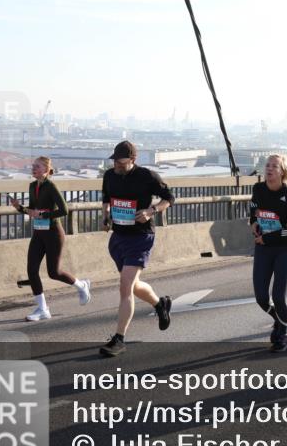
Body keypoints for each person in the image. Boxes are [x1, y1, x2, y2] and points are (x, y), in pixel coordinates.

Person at [99, 141, 175, 357]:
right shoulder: (109, 175)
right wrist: (105, 217)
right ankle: (160, 304)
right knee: (132, 285)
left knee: (125, 287)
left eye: (121, 161)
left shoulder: (147, 176)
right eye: (114, 160)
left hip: (141, 237)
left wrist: (151, 211)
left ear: (132, 160)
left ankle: (119, 339)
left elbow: (169, 198)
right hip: (119, 237)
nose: (116, 165)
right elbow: (106, 199)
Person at [9, 156, 90, 321]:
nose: (34, 169)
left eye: (37, 167)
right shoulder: (32, 186)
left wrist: (44, 214)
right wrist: (20, 208)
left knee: (54, 272)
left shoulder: (51, 186)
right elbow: (33, 210)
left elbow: (64, 210)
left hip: (53, 233)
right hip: (39, 232)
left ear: (46, 170)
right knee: (32, 270)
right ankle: (42, 309)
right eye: (33, 166)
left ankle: (82, 285)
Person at [250, 154, 287, 352]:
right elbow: (253, 208)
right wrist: (253, 223)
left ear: (282, 171)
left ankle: (282, 333)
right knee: (262, 298)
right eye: (267, 165)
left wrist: (268, 238)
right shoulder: (258, 189)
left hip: (284, 250)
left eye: (274, 166)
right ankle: (278, 319)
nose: (269, 169)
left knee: (278, 297)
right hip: (262, 249)